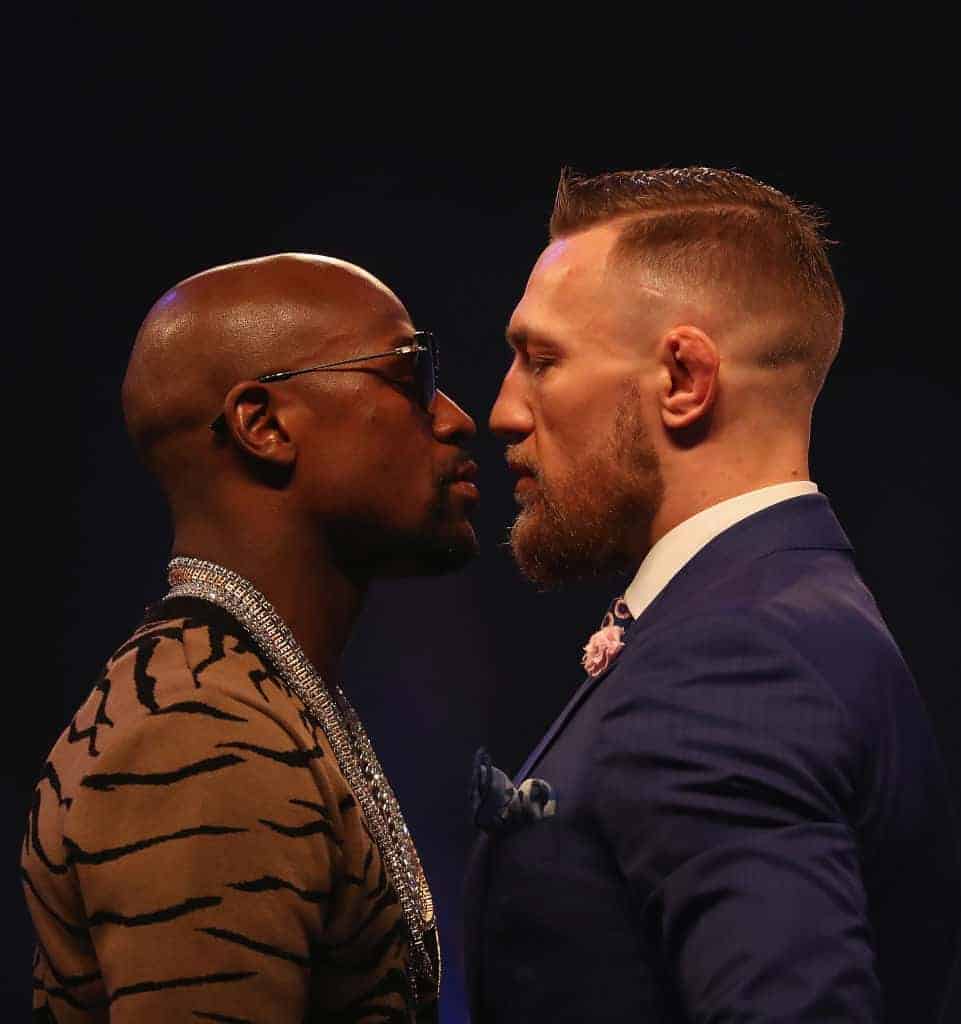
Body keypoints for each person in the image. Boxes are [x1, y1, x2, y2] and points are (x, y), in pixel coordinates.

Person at [465, 168, 960, 1022]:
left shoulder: (734, 660)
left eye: (540, 361)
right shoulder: (783, 613)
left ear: (684, 380)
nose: (503, 410)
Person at [23, 253, 480, 1022]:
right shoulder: (194, 733)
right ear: (263, 426)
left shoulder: (241, 693)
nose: (455, 417)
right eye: (410, 374)